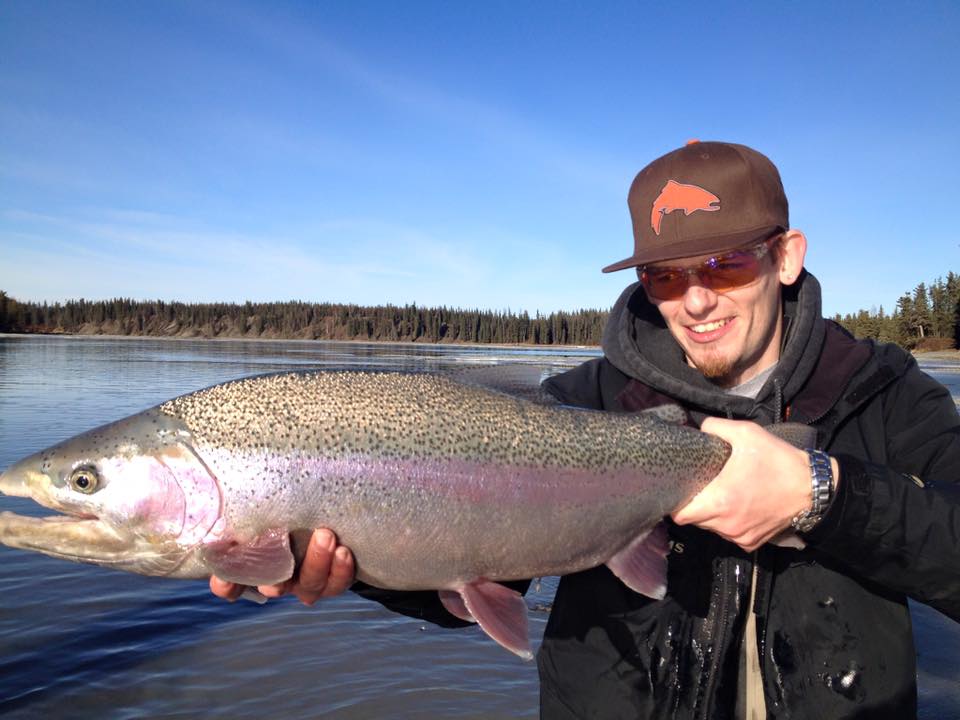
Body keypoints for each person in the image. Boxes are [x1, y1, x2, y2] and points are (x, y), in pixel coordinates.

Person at [211, 141, 960, 719]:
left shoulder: (883, 397)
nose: (695, 300)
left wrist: (826, 494)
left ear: (786, 257)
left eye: (726, 265)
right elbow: (485, 573)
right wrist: (358, 565)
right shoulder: (581, 406)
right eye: (664, 276)